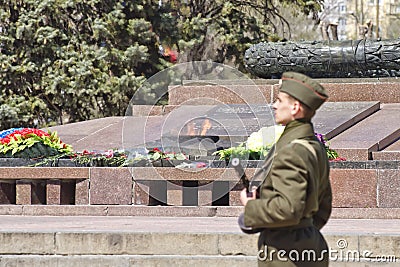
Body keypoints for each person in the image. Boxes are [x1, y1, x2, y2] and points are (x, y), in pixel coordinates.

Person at [240, 72, 332, 267]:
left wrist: (250, 206)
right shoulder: (314, 147)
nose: (274, 105)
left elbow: (289, 208)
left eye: (279, 100)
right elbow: (323, 205)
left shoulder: (291, 151)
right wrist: (305, 229)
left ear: (295, 108)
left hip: (286, 253)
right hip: (310, 245)